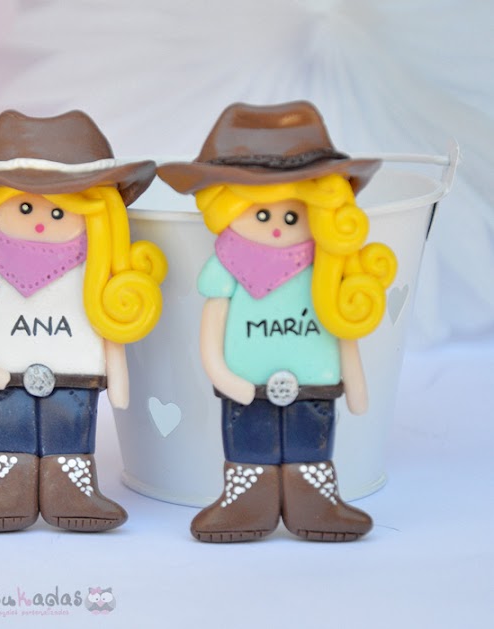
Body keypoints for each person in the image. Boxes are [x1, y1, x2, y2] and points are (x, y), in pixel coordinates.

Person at [158, 101, 396, 542]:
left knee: (311, 444)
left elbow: (341, 324)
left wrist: (356, 382)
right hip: (246, 386)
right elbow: (212, 327)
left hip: (315, 384)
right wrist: (220, 374)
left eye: (292, 215)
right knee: (249, 444)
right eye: (261, 213)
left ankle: (316, 503)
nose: (275, 227)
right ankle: (246, 503)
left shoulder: (328, 265)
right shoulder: (226, 266)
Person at [0, 110, 166, 532]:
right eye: (24, 207)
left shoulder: (95, 264)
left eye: (60, 211)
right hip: (6, 374)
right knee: (7, 431)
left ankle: (73, 490)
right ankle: (4, 490)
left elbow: (106, 317)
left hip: (75, 375)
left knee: (70, 432)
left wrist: (117, 374)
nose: (41, 220)